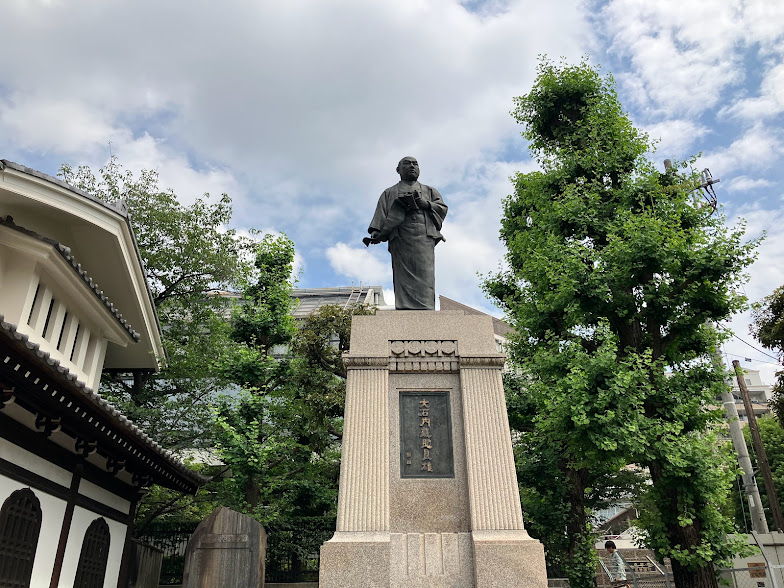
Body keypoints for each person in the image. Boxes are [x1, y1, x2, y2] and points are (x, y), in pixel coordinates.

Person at [364, 156, 447, 310]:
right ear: (398, 170)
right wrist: (376, 231)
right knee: (402, 275)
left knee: (426, 273)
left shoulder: (429, 191)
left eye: (415, 164)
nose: (412, 166)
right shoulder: (389, 192)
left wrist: (426, 204)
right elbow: (381, 213)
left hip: (424, 237)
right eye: (407, 164)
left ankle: (426, 306)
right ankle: (404, 306)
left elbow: (442, 208)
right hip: (400, 237)